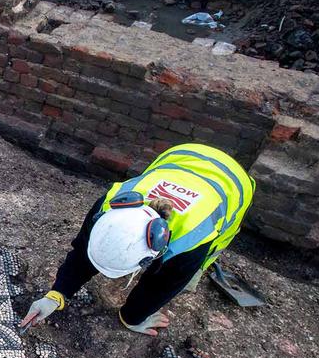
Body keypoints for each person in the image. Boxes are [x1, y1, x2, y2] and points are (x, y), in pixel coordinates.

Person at [20, 143, 255, 336]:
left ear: (152, 256)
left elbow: (163, 284)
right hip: (182, 155)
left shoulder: (191, 239)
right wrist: (57, 295)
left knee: (189, 269)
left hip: (234, 186)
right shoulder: (108, 204)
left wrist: (133, 316)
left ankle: (199, 269)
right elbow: (83, 253)